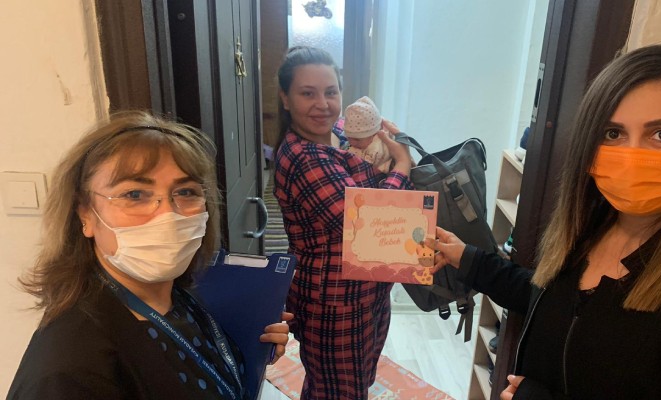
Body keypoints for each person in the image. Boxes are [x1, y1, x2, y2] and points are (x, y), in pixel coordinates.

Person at [430, 44, 661, 400]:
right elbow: (550, 301)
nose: (633, 155)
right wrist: (468, 258)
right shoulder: (589, 225)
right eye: (613, 133)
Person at [9, 111, 292, 400]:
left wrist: (244, 352)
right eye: (134, 194)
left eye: (186, 192)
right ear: (85, 214)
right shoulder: (67, 372)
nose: (168, 214)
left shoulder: (179, 297)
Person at [273, 46, 414, 399]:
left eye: (331, 92)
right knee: (338, 392)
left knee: (349, 384)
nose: (322, 104)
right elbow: (366, 224)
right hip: (335, 305)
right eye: (308, 93)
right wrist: (402, 167)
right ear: (285, 99)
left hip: (367, 290)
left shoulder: (341, 132)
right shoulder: (304, 157)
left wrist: (385, 142)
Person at [343, 96, 396, 173]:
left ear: (374, 134)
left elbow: (364, 166)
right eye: (349, 137)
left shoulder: (376, 147)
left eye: (357, 139)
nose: (352, 142)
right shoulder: (363, 142)